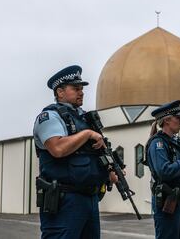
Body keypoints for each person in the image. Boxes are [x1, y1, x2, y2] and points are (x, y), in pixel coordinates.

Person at [33, 65, 117, 239]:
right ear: (60, 92)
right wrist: (87, 134)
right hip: (64, 200)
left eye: (82, 89)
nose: (81, 92)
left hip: (89, 198)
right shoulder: (49, 117)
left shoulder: (84, 118)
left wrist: (108, 172)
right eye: (75, 88)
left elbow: (93, 154)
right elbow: (57, 148)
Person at [145, 100, 180, 239]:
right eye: (178, 118)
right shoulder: (158, 143)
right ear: (168, 120)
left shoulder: (176, 143)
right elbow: (164, 171)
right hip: (168, 201)